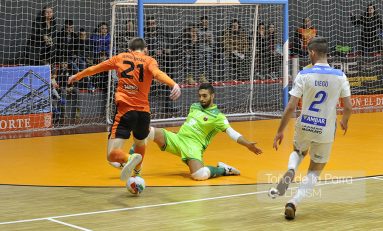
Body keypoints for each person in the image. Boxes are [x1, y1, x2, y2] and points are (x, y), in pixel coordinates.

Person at [68, 37, 181, 180]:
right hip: (144, 113)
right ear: (145, 50)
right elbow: (157, 73)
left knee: (112, 154)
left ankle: (130, 158)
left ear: (129, 50)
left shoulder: (120, 57)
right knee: (140, 142)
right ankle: (137, 172)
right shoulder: (150, 60)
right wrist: (174, 84)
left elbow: (95, 68)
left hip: (125, 111)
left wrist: (77, 76)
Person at [268, 37, 352, 220]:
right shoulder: (340, 75)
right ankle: (293, 202)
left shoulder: (304, 74)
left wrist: (280, 130)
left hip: (305, 124)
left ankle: (291, 169)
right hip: (325, 129)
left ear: (313, 52)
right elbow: (348, 107)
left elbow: (290, 107)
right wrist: (345, 120)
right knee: (315, 170)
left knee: (298, 151)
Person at [121, 83, 262, 182]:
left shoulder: (218, 117)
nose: (201, 99)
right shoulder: (194, 106)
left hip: (194, 147)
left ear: (213, 96)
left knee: (199, 175)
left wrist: (248, 144)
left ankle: (224, 170)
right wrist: (174, 134)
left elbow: (232, 133)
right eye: (200, 95)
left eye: (205, 96)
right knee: (144, 130)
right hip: (178, 139)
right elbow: (189, 125)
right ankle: (130, 160)